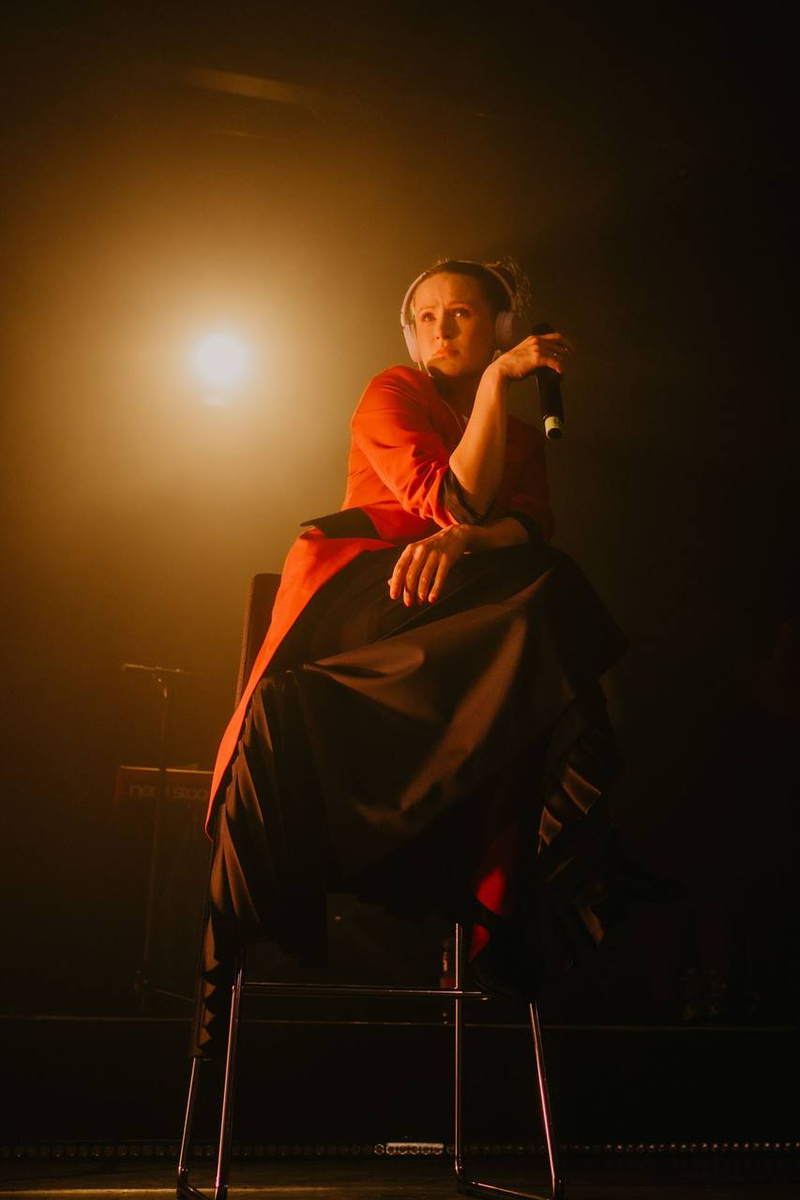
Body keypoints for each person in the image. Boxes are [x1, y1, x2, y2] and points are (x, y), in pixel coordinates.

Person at [192, 258, 629, 1055]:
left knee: (549, 583)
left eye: (462, 314)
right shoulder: (392, 390)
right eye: (426, 317)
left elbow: (530, 526)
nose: (440, 330)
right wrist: (494, 392)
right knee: (547, 589)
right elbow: (453, 500)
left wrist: (464, 544)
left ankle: (542, 827)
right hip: (373, 598)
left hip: (460, 602)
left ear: (500, 327)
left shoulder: (519, 436)